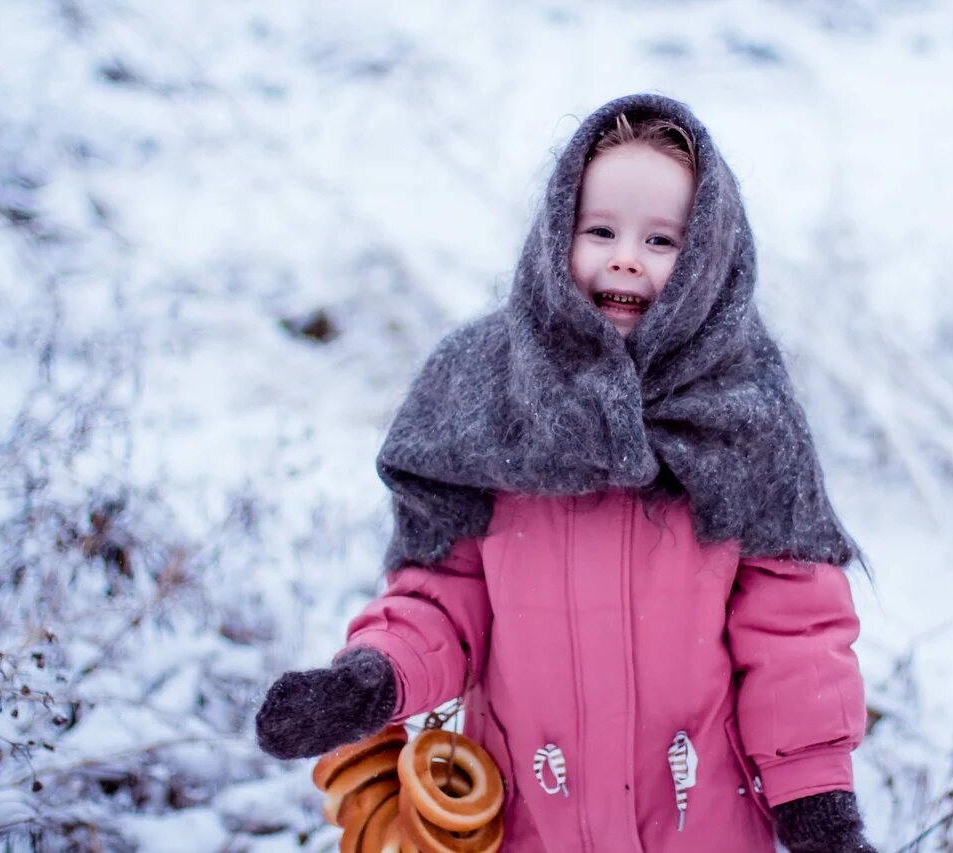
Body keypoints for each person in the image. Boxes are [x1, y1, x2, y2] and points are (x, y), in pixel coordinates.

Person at [256, 93, 876, 853]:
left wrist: (816, 804)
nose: (625, 256)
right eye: (601, 230)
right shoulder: (487, 390)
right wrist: (372, 679)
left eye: (661, 239)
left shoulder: (745, 410)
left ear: (709, 257)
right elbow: (445, 595)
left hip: (702, 824)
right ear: (557, 234)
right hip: (529, 822)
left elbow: (792, 632)